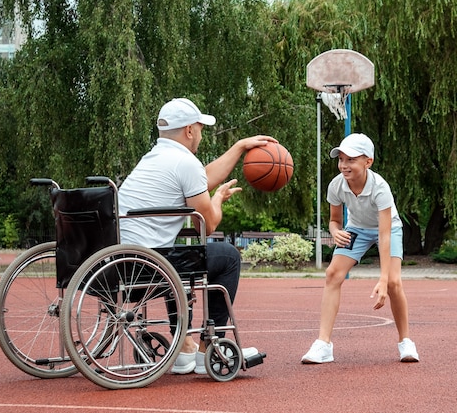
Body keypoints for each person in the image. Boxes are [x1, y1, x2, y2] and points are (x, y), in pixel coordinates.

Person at [118, 97, 276, 374]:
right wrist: (217, 200)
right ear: (189, 130)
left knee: (179, 254)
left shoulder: (155, 159)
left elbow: (199, 177)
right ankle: (207, 348)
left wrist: (239, 148)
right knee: (226, 256)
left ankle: (183, 347)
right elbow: (210, 224)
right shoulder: (184, 162)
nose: (201, 135)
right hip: (148, 266)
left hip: (120, 263)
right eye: (200, 128)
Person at [301, 133, 420, 364]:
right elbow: (334, 220)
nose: (344, 165)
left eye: (351, 160)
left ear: (368, 162)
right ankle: (323, 344)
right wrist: (335, 232)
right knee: (333, 274)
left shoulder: (380, 188)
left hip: (388, 228)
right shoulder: (336, 185)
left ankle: (406, 341)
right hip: (357, 228)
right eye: (341, 159)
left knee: (395, 283)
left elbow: (384, 236)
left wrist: (383, 279)